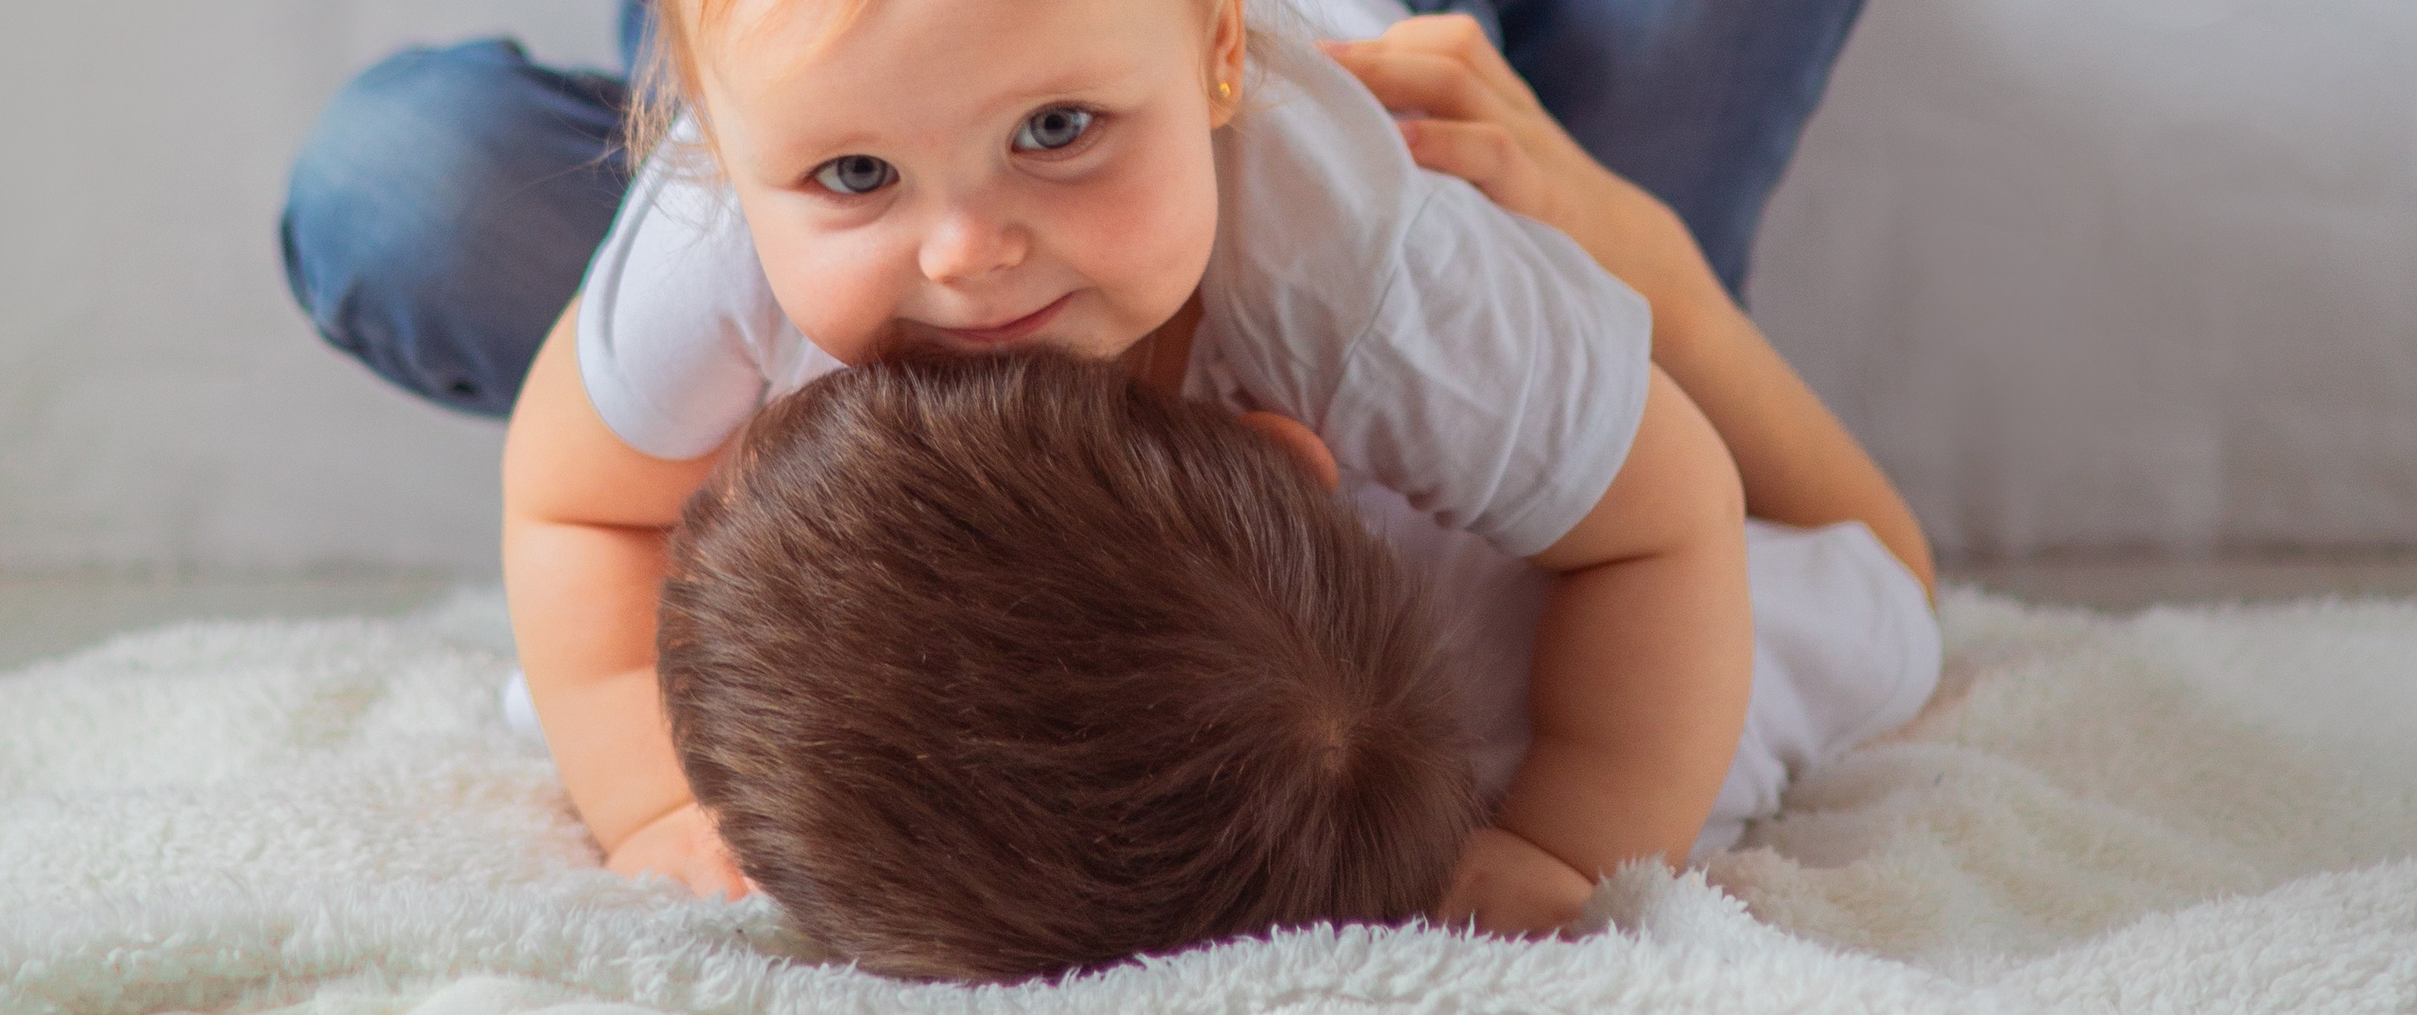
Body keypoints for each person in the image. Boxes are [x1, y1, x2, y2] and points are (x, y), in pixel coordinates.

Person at [278, 0, 1960, 932]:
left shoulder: (1364, 265)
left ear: (1217, 47)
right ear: (715, 148)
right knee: (658, 0)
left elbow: (1662, 518)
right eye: (856, 173)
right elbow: (576, 502)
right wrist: (656, 801)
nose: (965, 253)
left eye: (1057, 132)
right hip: (940, 13)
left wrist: (1566, 845)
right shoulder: (727, 224)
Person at [656, 347, 1940, 982]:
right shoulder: (1646, 684)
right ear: (1282, 441)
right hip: (1402, 59)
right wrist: (1654, 261)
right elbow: (1894, 573)